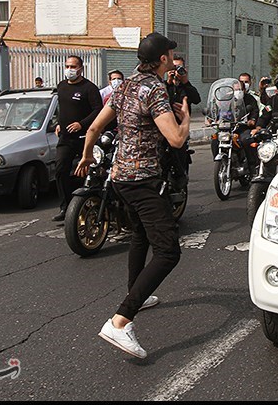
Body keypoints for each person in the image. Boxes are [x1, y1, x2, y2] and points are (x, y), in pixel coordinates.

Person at [75, 31, 191, 359]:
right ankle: (121, 320)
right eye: (171, 53)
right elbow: (176, 139)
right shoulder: (154, 89)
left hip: (120, 178)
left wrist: (86, 155)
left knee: (140, 234)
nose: (173, 58)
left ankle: (137, 292)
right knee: (168, 251)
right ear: (163, 58)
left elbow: (95, 127)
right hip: (142, 181)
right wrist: (184, 119)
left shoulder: (123, 85)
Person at [52, 55, 102, 222]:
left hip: (85, 137)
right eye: (67, 66)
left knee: (88, 172)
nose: (69, 70)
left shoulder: (89, 88)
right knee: (61, 169)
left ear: (80, 68)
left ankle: (89, 206)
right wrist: (59, 123)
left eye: (73, 67)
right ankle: (65, 208)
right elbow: (61, 108)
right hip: (66, 138)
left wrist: (81, 124)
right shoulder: (61, 86)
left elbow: (98, 110)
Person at [165, 54, 201, 188]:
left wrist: (185, 81)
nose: (176, 71)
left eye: (179, 67)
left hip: (181, 128)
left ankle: (181, 179)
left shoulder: (186, 87)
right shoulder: (164, 87)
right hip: (165, 127)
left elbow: (196, 99)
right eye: (173, 67)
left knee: (180, 153)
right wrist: (169, 81)